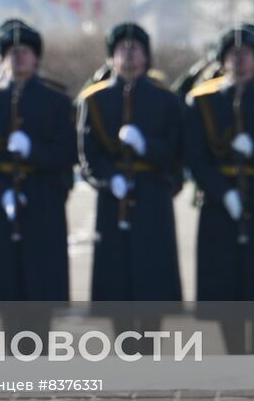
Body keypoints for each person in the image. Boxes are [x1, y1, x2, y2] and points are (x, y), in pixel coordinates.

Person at [184, 25, 254, 354]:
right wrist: (222, 192)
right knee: (224, 281)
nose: (239, 60)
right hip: (220, 201)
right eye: (232, 55)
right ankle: (233, 351)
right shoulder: (202, 100)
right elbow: (195, 155)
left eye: (246, 53)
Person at [78, 23, 184, 348]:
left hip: (152, 194)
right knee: (116, 278)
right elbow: (88, 156)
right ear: (111, 57)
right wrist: (110, 180)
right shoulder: (93, 100)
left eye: (135, 48)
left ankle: (149, 345)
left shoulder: (166, 100)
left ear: (146, 56)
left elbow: (178, 151)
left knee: (152, 277)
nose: (128, 54)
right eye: (121, 49)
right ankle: (124, 346)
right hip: (114, 197)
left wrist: (146, 147)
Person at [0, 20, 76, 323]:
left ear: (36, 57)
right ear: (1, 57)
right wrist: (1, 192)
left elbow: (68, 153)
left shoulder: (56, 99)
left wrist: (33, 151)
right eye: (11, 51)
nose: (18, 57)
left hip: (42, 198)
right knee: (7, 292)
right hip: (3, 202)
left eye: (25, 51)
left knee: (42, 292)